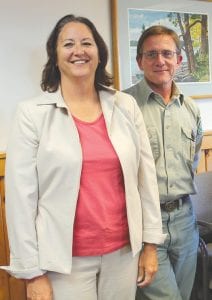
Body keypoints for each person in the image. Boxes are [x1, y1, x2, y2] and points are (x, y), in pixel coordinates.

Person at [1, 15, 166, 300]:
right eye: (68, 44)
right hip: (64, 262)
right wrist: (32, 273)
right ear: (55, 56)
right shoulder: (32, 114)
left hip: (124, 253)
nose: (79, 50)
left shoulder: (124, 105)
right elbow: (20, 199)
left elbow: (145, 180)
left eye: (87, 43)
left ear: (99, 53)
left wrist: (150, 244)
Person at [124, 25, 203, 300]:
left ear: (179, 60)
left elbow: (193, 161)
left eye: (167, 53)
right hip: (144, 223)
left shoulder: (191, 108)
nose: (160, 61)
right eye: (152, 54)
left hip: (185, 219)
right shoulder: (123, 106)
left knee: (185, 294)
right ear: (139, 61)